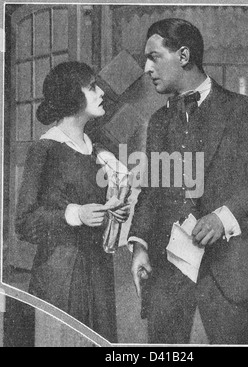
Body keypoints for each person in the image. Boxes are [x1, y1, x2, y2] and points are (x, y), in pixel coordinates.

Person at [128, 18, 248, 344]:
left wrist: (223, 217)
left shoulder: (243, 111)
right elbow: (151, 191)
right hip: (166, 274)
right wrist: (139, 245)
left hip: (226, 273)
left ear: (184, 55)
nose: (147, 67)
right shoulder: (159, 121)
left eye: (154, 57)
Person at [15, 61, 130, 342]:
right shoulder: (45, 149)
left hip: (98, 273)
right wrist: (75, 214)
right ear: (71, 96)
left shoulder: (99, 152)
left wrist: (115, 211)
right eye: (92, 88)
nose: (100, 92)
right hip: (60, 277)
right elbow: (24, 222)